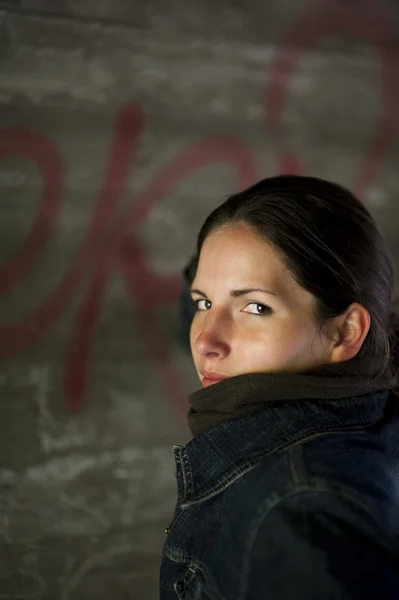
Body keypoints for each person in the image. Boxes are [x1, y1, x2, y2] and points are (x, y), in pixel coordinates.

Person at [160, 175, 399, 599]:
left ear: (346, 333)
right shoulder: (372, 412)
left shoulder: (299, 513)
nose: (205, 341)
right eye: (204, 302)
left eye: (255, 307)